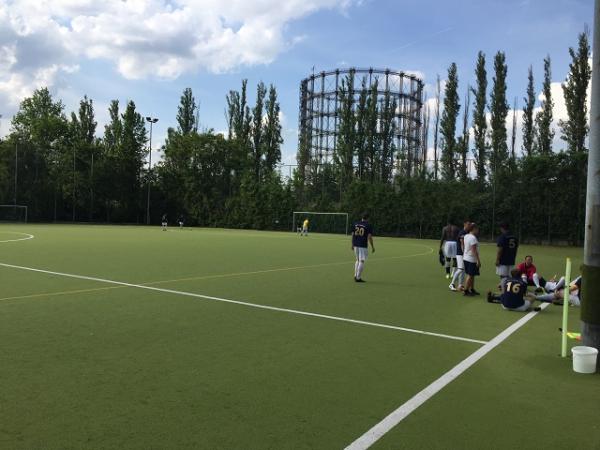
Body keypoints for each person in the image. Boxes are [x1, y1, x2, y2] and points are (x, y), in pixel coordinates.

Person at [495, 222, 519, 292]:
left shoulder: (502, 236)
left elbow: (500, 249)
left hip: (503, 260)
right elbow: (516, 248)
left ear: (502, 228)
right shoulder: (515, 237)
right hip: (511, 259)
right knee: (510, 276)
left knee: (503, 277)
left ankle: (504, 292)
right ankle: (509, 291)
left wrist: (497, 259)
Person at [351, 213, 375, 282]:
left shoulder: (356, 223)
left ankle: (355, 275)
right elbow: (370, 237)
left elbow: (352, 234)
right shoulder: (368, 225)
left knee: (357, 260)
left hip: (355, 244)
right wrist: (372, 246)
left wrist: (352, 244)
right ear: (367, 218)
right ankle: (358, 278)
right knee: (361, 260)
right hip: (362, 245)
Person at [449, 220, 471, 291]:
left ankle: (460, 285)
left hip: (464, 254)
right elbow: (462, 243)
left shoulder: (467, 233)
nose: (469, 226)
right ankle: (451, 284)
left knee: (463, 270)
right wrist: (464, 252)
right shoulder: (462, 232)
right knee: (460, 269)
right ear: (464, 224)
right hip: (460, 253)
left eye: (469, 224)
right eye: (468, 224)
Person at [462, 223, 481, 296]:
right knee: (470, 275)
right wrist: (478, 260)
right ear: (474, 229)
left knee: (472, 275)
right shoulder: (473, 238)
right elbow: (474, 250)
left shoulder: (466, 236)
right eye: (477, 229)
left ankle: (472, 289)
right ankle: (466, 290)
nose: (478, 231)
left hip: (466, 258)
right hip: (471, 259)